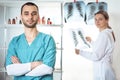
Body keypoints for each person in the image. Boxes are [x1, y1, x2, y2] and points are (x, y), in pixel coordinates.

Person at [5, 2, 56, 80]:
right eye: (26, 14)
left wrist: (21, 68)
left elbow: (47, 69)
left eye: (34, 14)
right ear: (21, 16)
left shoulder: (48, 40)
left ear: (38, 16)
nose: (30, 17)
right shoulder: (15, 42)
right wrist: (35, 64)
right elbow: (10, 70)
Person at [75, 11, 116, 80]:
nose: (97, 22)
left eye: (100, 19)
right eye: (95, 19)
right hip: (105, 69)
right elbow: (101, 48)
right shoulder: (107, 33)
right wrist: (91, 41)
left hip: (102, 72)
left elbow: (96, 56)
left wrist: (80, 52)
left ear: (107, 20)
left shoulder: (104, 35)